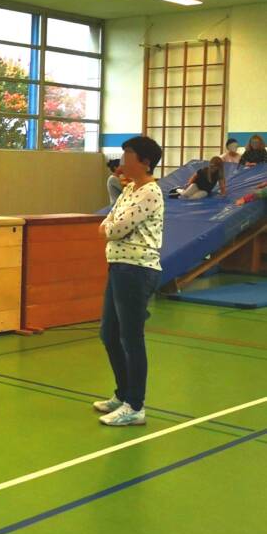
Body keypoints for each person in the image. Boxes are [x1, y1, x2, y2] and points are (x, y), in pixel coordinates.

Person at [95, 136, 164, 427]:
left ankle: (135, 405)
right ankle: (123, 394)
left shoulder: (150, 192)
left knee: (131, 337)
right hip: (119, 267)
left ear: (144, 161)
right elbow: (107, 221)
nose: (123, 160)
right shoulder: (128, 190)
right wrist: (110, 228)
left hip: (137, 270)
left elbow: (116, 228)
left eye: (129, 154)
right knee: (108, 333)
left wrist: (110, 229)